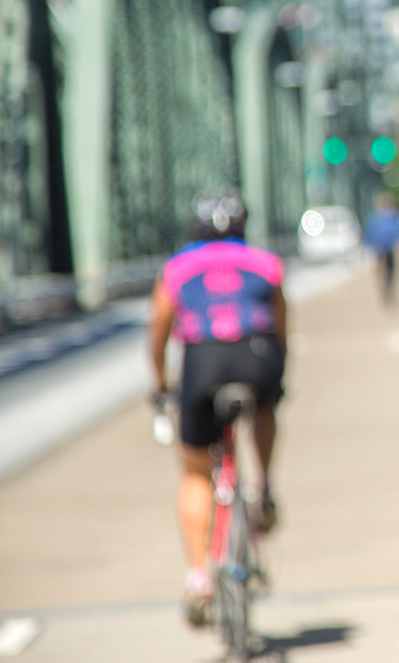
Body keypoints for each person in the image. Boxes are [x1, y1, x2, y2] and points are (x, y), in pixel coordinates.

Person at [148, 190, 287, 627]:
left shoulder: (177, 268)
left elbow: (159, 329)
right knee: (265, 407)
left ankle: (197, 578)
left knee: (194, 472)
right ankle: (263, 487)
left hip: (203, 362)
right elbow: (281, 322)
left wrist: (160, 383)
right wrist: (278, 375)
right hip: (257, 353)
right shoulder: (265, 262)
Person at [363, 193, 399, 306]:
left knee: (384, 270)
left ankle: (386, 290)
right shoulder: (392, 217)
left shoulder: (377, 217)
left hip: (383, 247)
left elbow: (369, 232)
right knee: (388, 271)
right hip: (384, 247)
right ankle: (387, 290)